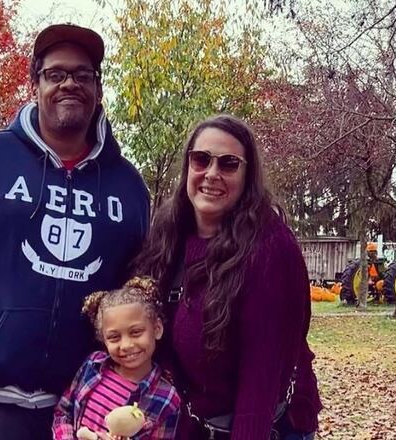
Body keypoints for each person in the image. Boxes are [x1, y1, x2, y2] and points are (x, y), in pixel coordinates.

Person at [0, 23, 150, 440]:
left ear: (98, 88)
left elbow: (136, 283)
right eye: (56, 74)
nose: (70, 84)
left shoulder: (128, 186)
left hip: (87, 403)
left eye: (83, 75)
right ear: (34, 84)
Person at [134, 115, 322, 439]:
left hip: (260, 424)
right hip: (195, 422)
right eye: (201, 159)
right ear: (188, 166)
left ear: (248, 175)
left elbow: (262, 374)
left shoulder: (271, 248)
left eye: (229, 164)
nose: (212, 174)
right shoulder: (169, 233)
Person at [53, 277, 180, 440]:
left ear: (157, 329)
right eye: (114, 337)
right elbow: (63, 413)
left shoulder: (167, 399)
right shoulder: (92, 365)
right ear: (103, 339)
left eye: (136, 332)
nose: (126, 345)